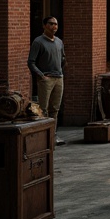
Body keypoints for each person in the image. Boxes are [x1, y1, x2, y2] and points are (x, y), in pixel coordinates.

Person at [28, 16, 66, 145]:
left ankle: (53, 135)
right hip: (46, 79)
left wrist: (61, 71)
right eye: (51, 24)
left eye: (56, 24)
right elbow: (31, 62)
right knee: (43, 109)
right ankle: (43, 137)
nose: (54, 26)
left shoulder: (59, 42)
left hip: (59, 78)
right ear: (44, 26)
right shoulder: (38, 42)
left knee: (55, 108)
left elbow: (63, 58)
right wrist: (41, 75)